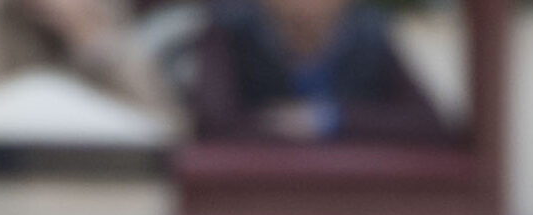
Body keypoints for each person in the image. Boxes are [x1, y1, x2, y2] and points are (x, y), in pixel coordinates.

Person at [190, 0, 452, 145]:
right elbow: (211, 123)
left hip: (353, 202)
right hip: (257, 202)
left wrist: (331, 120)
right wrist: (277, 128)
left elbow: (427, 124)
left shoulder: (370, 36)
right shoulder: (230, 31)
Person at [0, 0, 179, 124]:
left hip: (101, 180)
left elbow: (164, 126)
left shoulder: (98, 10)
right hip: (12, 184)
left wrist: (89, 37)